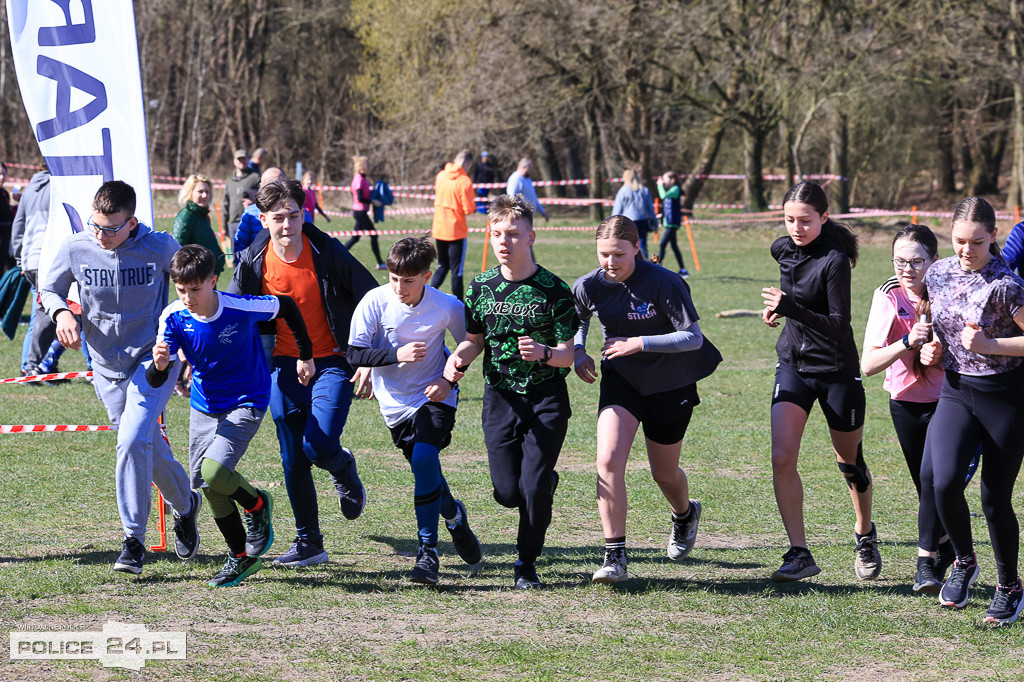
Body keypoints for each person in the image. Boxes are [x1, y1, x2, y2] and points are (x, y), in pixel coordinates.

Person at [39, 180, 200, 574]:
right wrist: (62, 313)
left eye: (111, 229)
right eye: (96, 225)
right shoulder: (77, 247)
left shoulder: (159, 246)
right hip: (106, 367)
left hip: (153, 359)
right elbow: (49, 288)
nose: (101, 235)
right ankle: (186, 504)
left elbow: (193, 280)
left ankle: (133, 540)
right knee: (144, 445)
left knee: (130, 440)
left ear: (132, 222)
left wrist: (191, 335)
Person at [229, 179, 378, 568]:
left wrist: (367, 357)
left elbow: (372, 296)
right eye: (278, 218)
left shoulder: (326, 250)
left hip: (333, 360)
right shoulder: (252, 260)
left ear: (303, 214)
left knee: (319, 444)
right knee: (293, 456)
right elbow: (230, 312)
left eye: (294, 216)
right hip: (282, 364)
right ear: (263, 219)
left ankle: (342, 466)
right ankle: (309, 543)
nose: (287, 225)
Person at [151, 244, 314, 587]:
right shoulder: (173, 316)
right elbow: (155, 376)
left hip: (247, 400)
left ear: (213, 280)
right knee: (205, 485)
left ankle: (256, 504)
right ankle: (241, 557)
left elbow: (286, 305)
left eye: (195, 289)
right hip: (204, 406)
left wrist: (305, 353)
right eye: (181, 290)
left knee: (214, 471)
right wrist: (160, 365)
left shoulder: (239, 306)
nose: (188, 298)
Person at [572, 215, 721, 583]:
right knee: (608, 460)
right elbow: (579, 318)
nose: (610, 262)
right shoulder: (589, 284)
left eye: (619, 254)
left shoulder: (664, 282)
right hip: (621, 380)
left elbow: (693, 337)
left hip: (671, 383)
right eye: (604, 254)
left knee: (664, 473)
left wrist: (639, 343)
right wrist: (578, 349)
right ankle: (614, 557)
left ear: (636, 248)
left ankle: (684, 513)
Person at [444, 194, 578, 589]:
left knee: (531, 487)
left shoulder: (554, 290)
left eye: (514, 234)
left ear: (531, 237)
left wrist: (543, 353)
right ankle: (543, 487)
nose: (505, 241)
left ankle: (525, 564)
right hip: (500, 398)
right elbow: (473, 340)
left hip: (545, 398)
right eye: (498, 233)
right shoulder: (480, 287)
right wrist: (457, 360)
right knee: (507, 492)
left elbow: (567, 356)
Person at [760, 180, 881, 583]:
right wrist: (779, 312)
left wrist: (790, 307)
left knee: (849, 463)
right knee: (782, 457)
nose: (797, 228)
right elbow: (794, 301)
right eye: (790, 219)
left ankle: (864, 533)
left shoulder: (834, 260)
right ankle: (799, 552)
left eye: (806, 220)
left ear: (824, 217)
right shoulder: (781, 249)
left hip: (835, 371)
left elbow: (838, 325)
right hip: (793, 366)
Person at [347, 237, 483, 585]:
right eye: (393, 278)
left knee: (424, 460)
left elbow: (472, 342)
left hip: (434, 396)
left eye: (407, 281)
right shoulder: (375, 301)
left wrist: (449, 379)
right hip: (394, 404)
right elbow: (354, 354)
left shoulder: (446, 305)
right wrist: (395, 355)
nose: (399, 287)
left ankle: (428, 552)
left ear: (426, 276)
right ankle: (454, 516)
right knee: (426, 470)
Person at [921, 196, 1024, 625]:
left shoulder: (1007, 284)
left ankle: (1010, 587)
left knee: (994, 498)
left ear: (994, 236)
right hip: (957, 390)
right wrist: (930, 347)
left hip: (1006, 396)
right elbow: (936, 324)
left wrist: (989, 345)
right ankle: (964, 561)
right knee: (942, 482)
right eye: (960, 241)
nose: (967, 250)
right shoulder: (937, 273)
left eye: (977, 242)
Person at [860, 224, 953, 593]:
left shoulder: (949, 289)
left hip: (949, 400)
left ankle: (924, 563)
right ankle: (952, 551)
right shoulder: (888, 294)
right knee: (927, 486)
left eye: (916, 262)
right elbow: (868, 364)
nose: (907, 270)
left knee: (934, 481)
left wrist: (941, 353)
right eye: (899, 261)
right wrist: (906, 341)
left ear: (934, 260)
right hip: (905, 403)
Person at [11, 168, 55, 376]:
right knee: (47, 315)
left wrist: (20, 259)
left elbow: (18, 225)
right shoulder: (59, 187)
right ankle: (31, 367)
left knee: (41, 314)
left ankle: (35, 365)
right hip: (48, 259)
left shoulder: (29, 190)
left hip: (30, 260)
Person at [429, 150, 476, 301]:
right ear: (468, 163)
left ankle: (426, 295)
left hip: (440, 228)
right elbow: (468, 208)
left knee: (442, 266)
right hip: (456, 232)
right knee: (457, 272)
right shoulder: (465, 181)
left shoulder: (441, 175)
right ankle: (460, 305)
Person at [172, 174, 225, 277]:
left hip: (208, 276)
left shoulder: (203, 216)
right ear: (190, 192)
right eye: (200, 191)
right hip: (196, 278)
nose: (205, 195)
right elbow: (177, 250)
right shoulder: (185, 217)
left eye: (207, 192)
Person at [343, 156, 386, 270]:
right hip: (360, 212)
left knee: (355, 238)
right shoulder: (358, 179)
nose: (369, 167)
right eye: (367, 165)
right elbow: (360, 197)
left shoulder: (363, 179)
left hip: (362, 212)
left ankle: (336, 255)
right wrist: (373, 201)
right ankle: (380, 263)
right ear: (361, 167)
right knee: (374, 235)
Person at [235, 167, 287, 256]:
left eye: (278, 182)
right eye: (268, 182)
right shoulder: (250, 213)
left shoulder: (297, 211)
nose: (273, 186)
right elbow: (240, 245)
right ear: (261, 186)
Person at [612, 168, 656, 258]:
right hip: (643, 221)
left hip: (628, 222)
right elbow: (651, 209)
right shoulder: (644, 190)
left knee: (628, 245)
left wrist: (613, 225)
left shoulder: (623, 191)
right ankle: (644, 262)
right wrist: (655, 223)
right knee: (642, 245)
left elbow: (617, 210)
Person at [222, 149, 260, 253]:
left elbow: (263, 197)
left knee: (250, 253)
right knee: (235, 255)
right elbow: (225, 203)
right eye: (239, 159)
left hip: (251, 221)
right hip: (234, 223)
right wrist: (224, 225)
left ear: (248, 160)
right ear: (234, 161)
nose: (242, 161)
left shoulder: (255, 177)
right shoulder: (230, 180)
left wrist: (253, 202)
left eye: (244, 159)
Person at [656, 171, 688, 277]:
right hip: (669, 222)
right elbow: (669, 207)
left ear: (672, 180)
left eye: (665, 179)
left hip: (672, 223)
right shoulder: (671, 190)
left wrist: (660, 186)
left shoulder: (675, 189)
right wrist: (662, 215)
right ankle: (683, 270)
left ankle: (657, 268)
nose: (663, 181)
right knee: (674, 246)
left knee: (662, 244)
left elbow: (663, 195)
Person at [506, 157, 549, 222]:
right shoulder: (515, 179)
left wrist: (543, 212)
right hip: (520, 218)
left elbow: (534, 198)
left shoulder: (528, 179)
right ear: (523, 167)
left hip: (527, 217)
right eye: (530, 168)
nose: (531, 171)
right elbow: (511, 197)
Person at [0, 162, 14, 274]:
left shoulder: (5, 193)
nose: (2, 177)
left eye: (4, 174)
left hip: (4, 241)